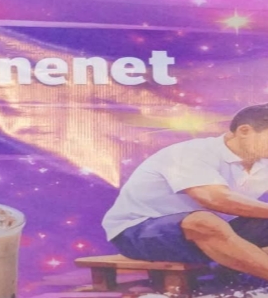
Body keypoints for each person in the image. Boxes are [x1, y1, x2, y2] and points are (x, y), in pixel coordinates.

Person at [103, 105, 268, 280]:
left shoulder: (262, 162)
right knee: (202, 221)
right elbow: (214, 199)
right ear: (244, 131)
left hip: (218, 233)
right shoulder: (191, 152)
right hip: (139, 233)